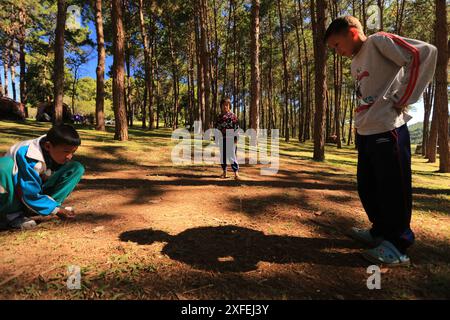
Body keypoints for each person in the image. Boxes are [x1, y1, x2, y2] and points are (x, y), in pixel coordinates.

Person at [325, 16, 437, 266]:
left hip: (388, 129)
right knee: (368, 186)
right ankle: (379, 232)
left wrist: (404, 96)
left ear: (352, 33)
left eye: (336, 44)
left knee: (392, 187)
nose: (336, 51)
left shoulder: (378, 41)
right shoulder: (356, 61)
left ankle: (398, 245)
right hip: (366, 131)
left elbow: (425, 53)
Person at [0, 124, 85, 230]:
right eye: (66, 152)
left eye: (73, 152)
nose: (69, 156)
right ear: (48, 146)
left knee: (76, 167)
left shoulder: (54, 144)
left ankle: (48, 205)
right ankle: (13, 215)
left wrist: (54, 207)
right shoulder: (28, 156)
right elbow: (28, 190)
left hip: (36, 188)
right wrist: (57, 211)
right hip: (16, 192)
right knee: (4, 165)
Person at [215, 98, 240, 180]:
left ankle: (236, 173)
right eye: (223, 105)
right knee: (223, 156)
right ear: (221, 106)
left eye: (227, 105)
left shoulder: (233, 116)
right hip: (222, 138)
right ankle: (224, 172)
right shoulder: (219, 117)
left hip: (231, 138)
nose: (225, 106)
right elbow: (217, 128)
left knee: (232, 155)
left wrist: (236, 138)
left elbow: (236, 127)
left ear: (229, 106)